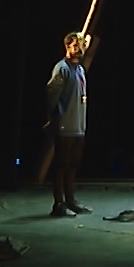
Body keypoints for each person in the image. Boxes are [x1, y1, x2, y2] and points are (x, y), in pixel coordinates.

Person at [44, 32, 92, 217]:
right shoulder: (62, 68)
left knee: (74, 162)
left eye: (80, 47)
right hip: (65, 123)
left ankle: (71, 200)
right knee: (62, 163)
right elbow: (52, 94)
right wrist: (53, 117)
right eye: (74, 46)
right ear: (67, 47)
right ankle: (59, 203)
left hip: (78, 123)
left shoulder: (80, 69)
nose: (78, 50)